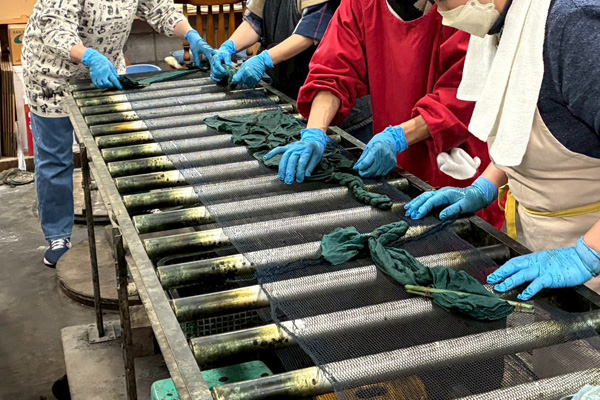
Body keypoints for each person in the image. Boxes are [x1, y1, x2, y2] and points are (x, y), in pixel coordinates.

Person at [405, 0, 600, 300]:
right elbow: (520, 133)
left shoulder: (575, 31)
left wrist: (588, 255)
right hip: (540, 246)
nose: (442, 14)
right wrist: (484, 185)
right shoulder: (508, 26)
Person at [263, 0, 505, 229]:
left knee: (457, 239)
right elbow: (333, 69)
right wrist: (315, 131)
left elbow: (462, 96)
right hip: (395, 160)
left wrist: (398, 137)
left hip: (456, 159)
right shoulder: (361, 5)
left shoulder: (464, 9)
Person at [22, 0, 214, 267]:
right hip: (52, 76)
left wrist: (191, 35)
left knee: (120, 149)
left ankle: (136, 215)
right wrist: (90, 57)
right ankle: (58, 236)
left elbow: (159, 8)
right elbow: (55, 29)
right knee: (55, 159)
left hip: (105, 71)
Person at [209, 0, 374, 140]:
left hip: (339, 109)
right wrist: (229, 46)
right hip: (292, 97)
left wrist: (265, 59)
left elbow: (311, 31)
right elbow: (254, 21)